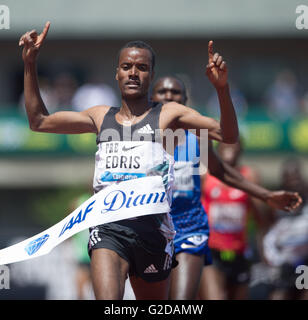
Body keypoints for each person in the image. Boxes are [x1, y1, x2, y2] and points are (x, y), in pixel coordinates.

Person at [18, 22, 300, 300]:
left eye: (141, 68)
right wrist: (30, 64)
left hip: (155, 232)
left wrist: (222, 90)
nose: (133, 73)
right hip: (109, 229)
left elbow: (227, 135)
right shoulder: (100, 116)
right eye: (126, 66)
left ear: (151, 74)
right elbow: (39, 121)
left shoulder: (169, 115)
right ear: (116, 73)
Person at [151, 76, 303, 300]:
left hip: (189, 229)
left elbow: (222, 170)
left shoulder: (197, 137)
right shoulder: (142, 138)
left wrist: (266, 195)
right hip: (152, 231)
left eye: (175, 92)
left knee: (182, 300)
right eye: (162, 91)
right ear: (152, 98)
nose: (168, 96)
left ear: (184, 100)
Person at [263, 158, 308, 300]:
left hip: (304, 263)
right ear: (283, 181)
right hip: (282, 263)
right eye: (289, 178)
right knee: (278, 296)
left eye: (296, 177)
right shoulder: (274, 208)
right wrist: (273, 261)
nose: (294, 182)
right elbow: (264, 235)